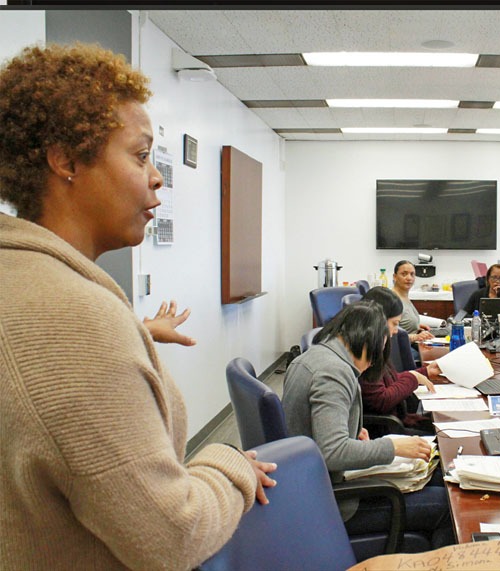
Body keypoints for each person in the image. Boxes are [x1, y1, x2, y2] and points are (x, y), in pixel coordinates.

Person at [0, 43, 276, 569]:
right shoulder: (72, 318)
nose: (156, 178)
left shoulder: (21, 284)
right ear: (65, 159)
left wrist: (136, 332)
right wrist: (229, 461)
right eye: (141, 154)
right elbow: (173, 536)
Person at [282, 301, 454, 548]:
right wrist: (394, 448)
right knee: (445, 503)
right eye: (379, 351)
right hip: (332, 504)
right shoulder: (333, 372)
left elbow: (315, 429)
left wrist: (352, 431)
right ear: (367, 341)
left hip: (307, 487)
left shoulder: (317, 356)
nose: (374, 363)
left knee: (437, 475)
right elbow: (332, 452)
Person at [359, 287, 440, 435]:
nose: (396, 331)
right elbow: (381, 400)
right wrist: (412, 377)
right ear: (379, 321)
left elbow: (390, 380)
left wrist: (424, 372)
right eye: (395, 323)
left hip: (398, 421)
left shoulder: (377, 343)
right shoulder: (366, 351)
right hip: (386, 431)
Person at [391, 260, 434, 344]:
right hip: (403, 349)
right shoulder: (392, 299)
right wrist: (416, 337)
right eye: (404, 274)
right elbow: (391, 334)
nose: (409, 278)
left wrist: (416, 326)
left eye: (412, 274)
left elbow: (402, 323)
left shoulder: (404, 296)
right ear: (395, 277)